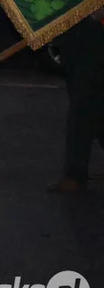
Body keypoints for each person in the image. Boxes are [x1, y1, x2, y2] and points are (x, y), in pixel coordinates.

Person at [46, 11, 104, 193]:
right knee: (91, 101)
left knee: (84, 102)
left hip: (93, 26)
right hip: (79, 23)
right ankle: (75, 173)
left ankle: (75, 174)